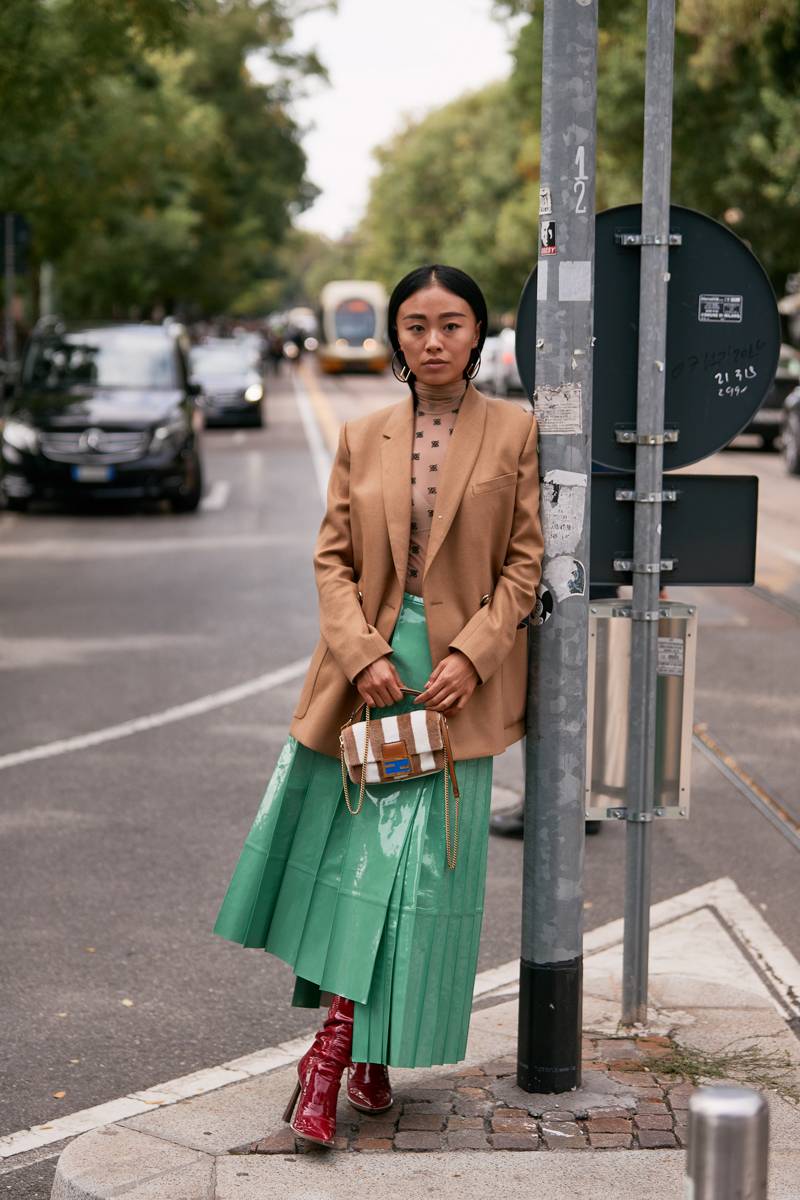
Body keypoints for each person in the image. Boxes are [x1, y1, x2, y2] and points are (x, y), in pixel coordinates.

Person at [213, 264, 544, 1148]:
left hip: (453, 695)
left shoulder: (517, 433)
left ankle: (352, 1052)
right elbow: (332, 561)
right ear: (397, 337)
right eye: (416, 325)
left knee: (417, 882)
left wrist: (473, 656)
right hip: (368, 690)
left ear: (479, 334)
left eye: (452, 324)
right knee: (362, 877)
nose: (433, 341)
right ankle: (336, 1057)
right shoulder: (362, 433)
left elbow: (524, 566)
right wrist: (361, 654)